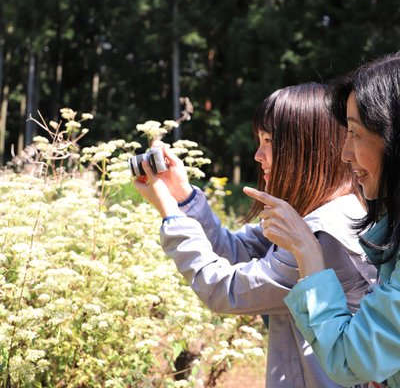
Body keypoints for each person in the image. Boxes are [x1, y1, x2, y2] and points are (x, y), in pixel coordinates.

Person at [134, 83, 376, 388]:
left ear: (308, 147)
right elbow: (234, 252)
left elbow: (225, 290)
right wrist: (183, 196)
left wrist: (171, 214)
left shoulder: (324, 234)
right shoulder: (309, 216)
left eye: (269, 141)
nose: (258, 155)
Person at [244, 53, 400, 388]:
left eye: (355, 134)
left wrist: (307, 251)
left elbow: (351, 358)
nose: (344, 153)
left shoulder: (324, 227)